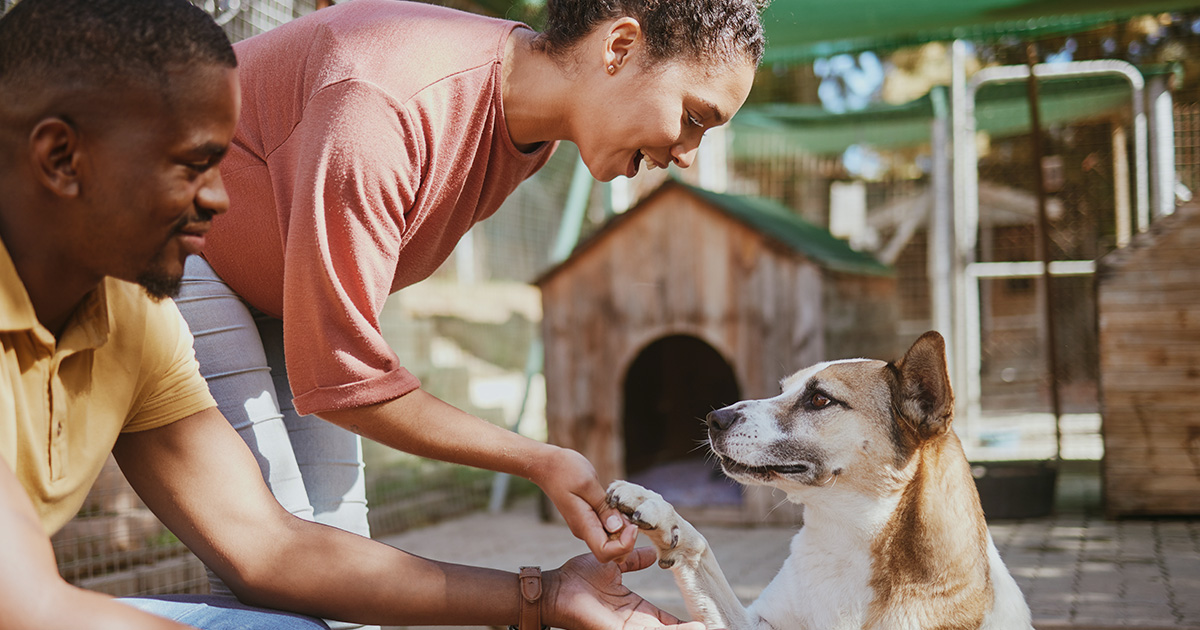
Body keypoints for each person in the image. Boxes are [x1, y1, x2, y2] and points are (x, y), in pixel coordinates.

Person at [0, 1, 711, 628]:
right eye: (194, 165)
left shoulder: (133, 321)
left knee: (318, 595)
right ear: (62, 158)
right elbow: (29, 608)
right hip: (215, 285)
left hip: (264, 298)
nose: (221, 200)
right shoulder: (384, 98)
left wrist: (544, 598)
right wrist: (534, 460)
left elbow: (271, 549)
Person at [180, 0, 766, 616]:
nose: (688, 155)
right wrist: (538, 460)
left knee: (339, 561)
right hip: (180, 247)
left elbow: (334, 368)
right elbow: (343, 378)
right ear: (618, 48)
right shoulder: (384, 105)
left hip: (275, 292)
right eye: (695, 117)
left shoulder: (530, 128)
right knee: (280, 567)